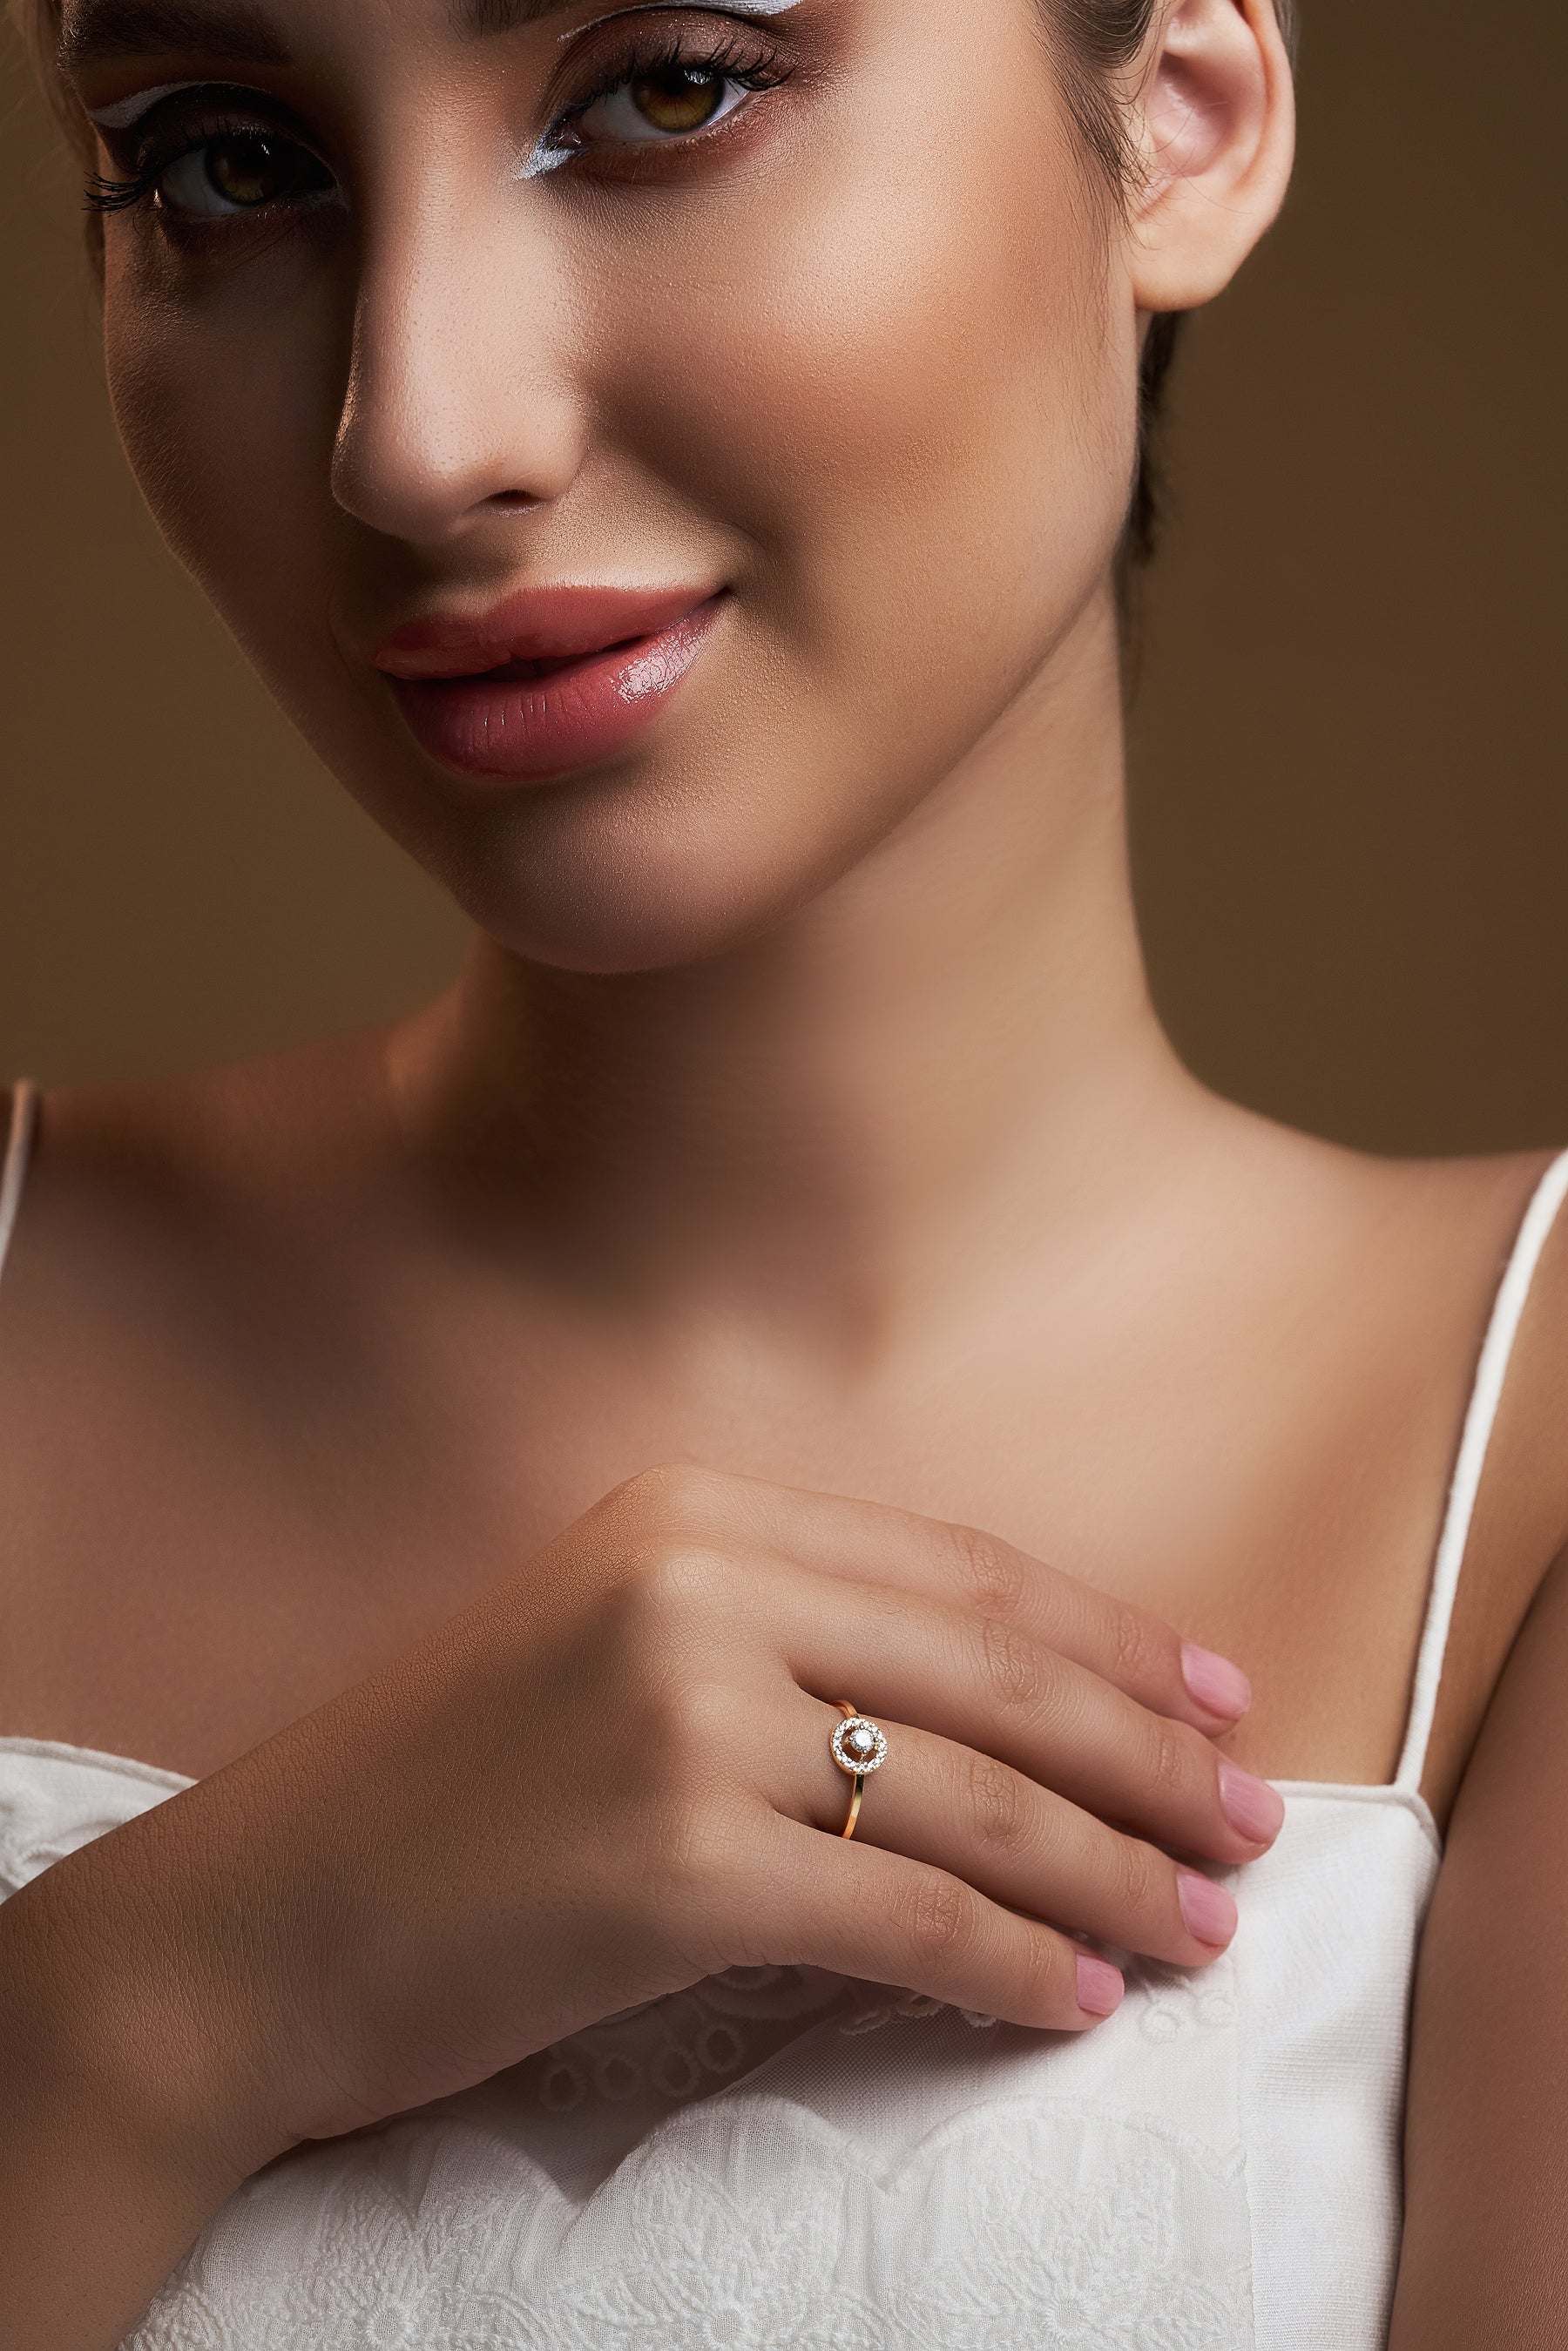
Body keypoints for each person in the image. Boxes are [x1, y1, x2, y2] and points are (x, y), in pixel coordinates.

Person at [0, 0, 1562, 2342]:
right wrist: (169, 1999)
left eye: (664, 89)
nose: (419, 434)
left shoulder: (1523, 1463)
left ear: (1187, 115)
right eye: (224, 158)